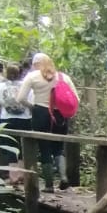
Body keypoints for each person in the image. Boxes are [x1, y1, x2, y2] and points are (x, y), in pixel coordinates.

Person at [16, 53, 77, 193]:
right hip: (60, 115)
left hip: (40, 113)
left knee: (44, 149)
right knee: (59, 148)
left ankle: (49, 185)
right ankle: (63, 178)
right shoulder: (63, 77)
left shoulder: (32, 76)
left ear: (35, 64)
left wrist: (33, 107)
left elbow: (20, 98)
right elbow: (75, 98)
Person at [0, 63, 33, 186]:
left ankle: (13, 177)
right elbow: (31, 102)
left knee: (10, 147)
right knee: (23, 147)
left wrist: (4, 108)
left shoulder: (1, 86)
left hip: (7, 120)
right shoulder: (26, 86)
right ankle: (22, 175)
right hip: (25, 120)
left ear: (7, 73)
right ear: (20, 73)